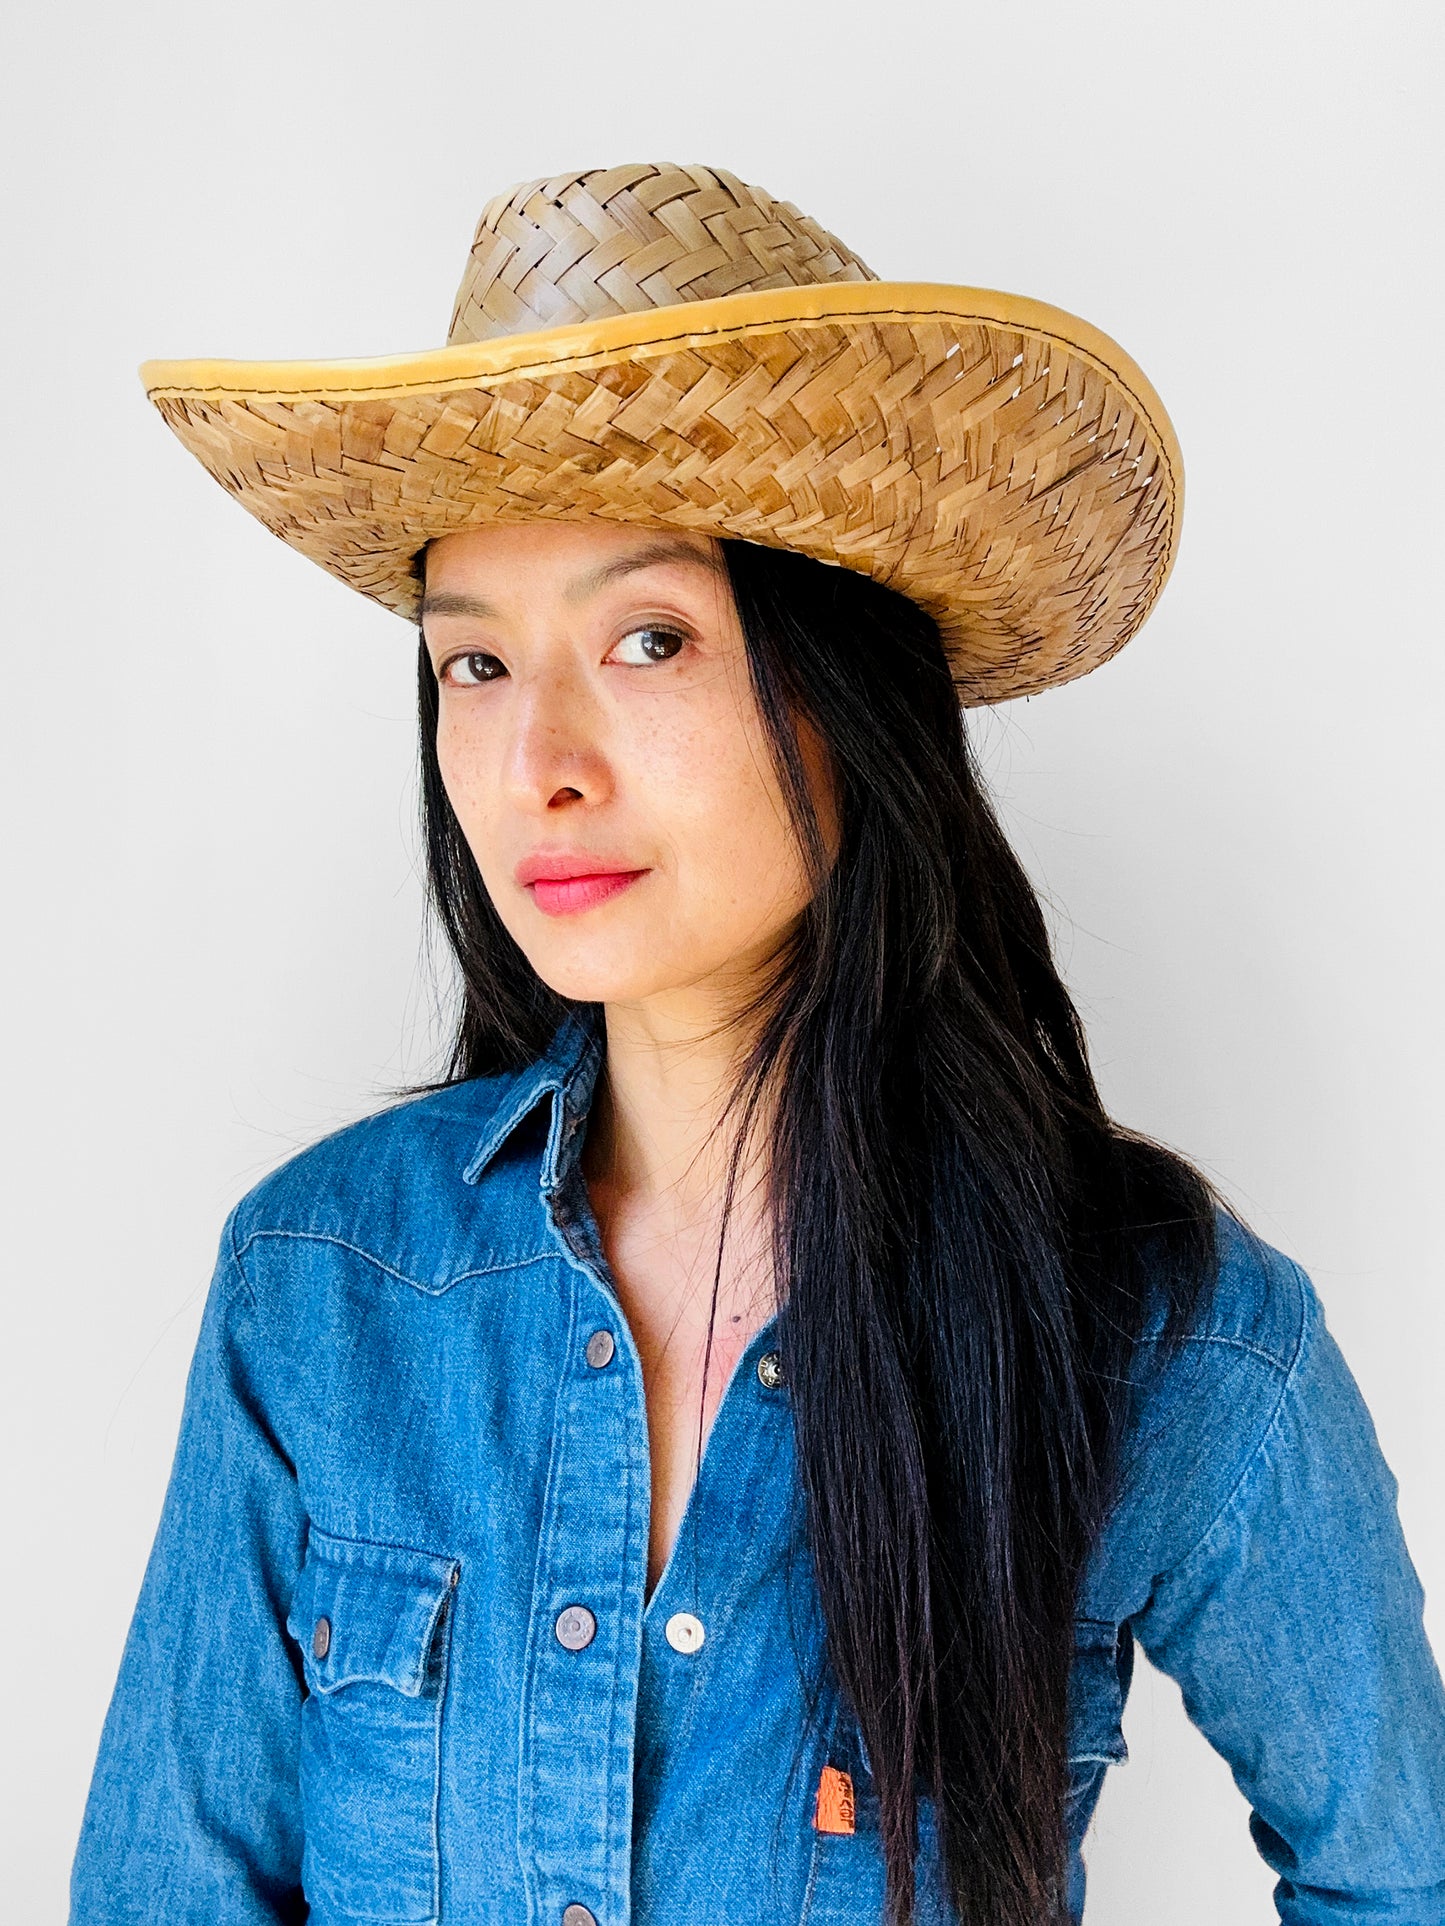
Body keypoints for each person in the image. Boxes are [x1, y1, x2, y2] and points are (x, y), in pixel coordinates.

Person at [71, 164, 1445, 1926]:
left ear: (843, 696)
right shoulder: (322, 1285)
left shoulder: (1167, 1337)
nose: (535, 761)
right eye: (472, 664)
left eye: (648, 638)